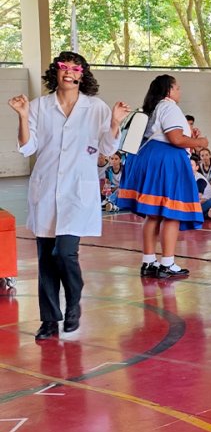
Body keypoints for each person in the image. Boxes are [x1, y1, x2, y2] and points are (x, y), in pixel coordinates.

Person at [8, 51, 129, 340]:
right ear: (56, 72)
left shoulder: (96, 107)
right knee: (46, 261)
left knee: (64, 252)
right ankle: (49, 321)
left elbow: (108, 149)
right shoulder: (39, 106)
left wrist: (114, 123)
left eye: (76, 69)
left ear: (82, 75)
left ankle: (73, 302)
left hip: (78, 190)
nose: (70, 73)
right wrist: (24, 117)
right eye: (64, 67)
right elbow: (27, 147)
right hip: (46, 189)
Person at [118, 75, 207, 280]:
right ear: (169, 90)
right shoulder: (169, 107)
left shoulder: (153, 108)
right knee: (171, 212)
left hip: (150, 157)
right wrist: (201, 141)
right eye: (177, 88)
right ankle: (167, 262)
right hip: (166, 161)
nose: (179, 92)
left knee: (154, 214)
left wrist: (189, 138)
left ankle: (149, 261)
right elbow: (175, 139)